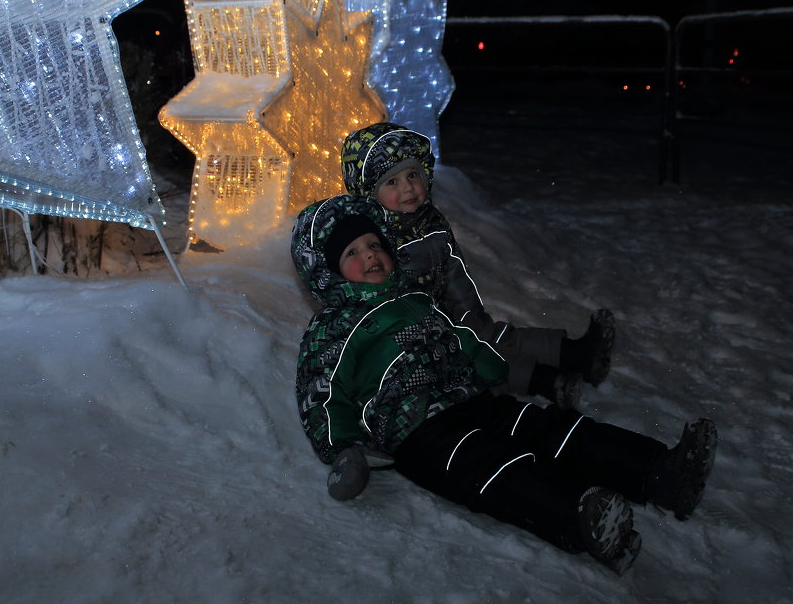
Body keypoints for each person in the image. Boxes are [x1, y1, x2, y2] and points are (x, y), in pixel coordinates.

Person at [291, 194, 717, 575]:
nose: (369, 255)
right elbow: (322, 395)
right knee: (500, 470)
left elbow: (457, 336)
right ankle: (582, 517)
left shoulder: (416, 300)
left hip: (474, 399)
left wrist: (486, 362)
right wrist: (342, 450)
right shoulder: (333, 329)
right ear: (328, 273)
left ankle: (661, 473)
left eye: (373, 244)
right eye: (351, 251)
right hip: (419, 432)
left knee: (558, 430)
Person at [341, 121, 614, 409]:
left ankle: (577, 354)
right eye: (392, 182)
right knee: (475, 356)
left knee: (493, 334)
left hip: (455, 312)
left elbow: (453, 268)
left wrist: (470, 313)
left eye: (412, 175)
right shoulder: (373, 242)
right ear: (368, 192)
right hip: (422, 336)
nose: (408, 188)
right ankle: (547, 382)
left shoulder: (430, 220)